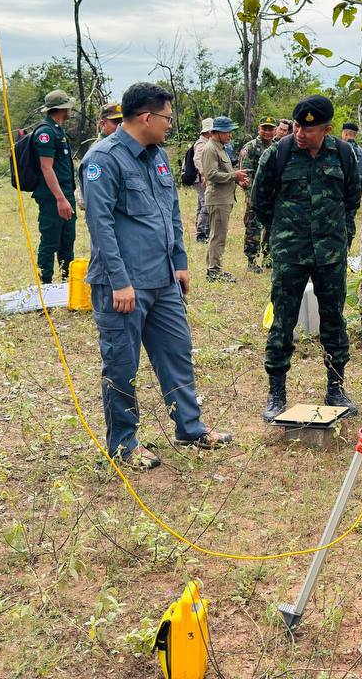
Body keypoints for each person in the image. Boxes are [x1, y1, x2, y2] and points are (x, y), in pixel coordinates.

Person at [82, 83, 231, 467]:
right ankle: (124, 444)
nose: (170, 124)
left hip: (163, 280)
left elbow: (171, 213)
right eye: (166, 117)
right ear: (146, 118)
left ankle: (190, 427)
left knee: (176, 354)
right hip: (124, 286)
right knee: (121, 366)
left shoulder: (158, 156)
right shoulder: (104, 159)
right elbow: (101, 227)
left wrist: (180, 262)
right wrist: (119, 282)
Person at [252, 95, 362, 422]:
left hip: (330, 254)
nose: (300, 133)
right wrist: (282, 233)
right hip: (290, 254)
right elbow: (260, 201)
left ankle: (336, 387)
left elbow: (351, 200)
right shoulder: (278, 154)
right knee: (283, 321)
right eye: (297, 125)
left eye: (308, 129)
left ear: (326, 129)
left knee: (333, 319)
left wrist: (342, 238)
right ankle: (276, 392)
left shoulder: (343, 154)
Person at [31, 90, 77, 284]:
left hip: (66, 194)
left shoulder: (58, 130)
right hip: (52, 198)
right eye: (69, 106)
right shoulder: (46, 133)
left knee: (67, 240)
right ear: (62, 108)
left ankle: (67, 284)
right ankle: (46, 286)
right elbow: (46, 167)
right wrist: (60, 199)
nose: (71, 109)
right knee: (50, 241)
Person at [198, 116, 249, 282]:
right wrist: (234, 175)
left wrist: (237, 179)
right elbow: (211, 174)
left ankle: (216, 269)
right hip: (218, 199)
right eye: (227, 132)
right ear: (216, 132)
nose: (230, 135)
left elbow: (224, 172)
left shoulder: (221, 148)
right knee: (217, 237)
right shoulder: (210, 149)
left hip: (224, 198)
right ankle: (214, 272)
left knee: (220, 236)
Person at [239, 116, 278, 272]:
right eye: (264, 128)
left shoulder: (277, 147)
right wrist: (251, 196)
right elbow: (245, 175)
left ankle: (269, 258)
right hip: (256, 195)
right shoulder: (249, 148)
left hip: (273, 195)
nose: (267, 132)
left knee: (272, 227)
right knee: (253, 228)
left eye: (270, 128)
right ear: (258, 129)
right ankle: (251, 260)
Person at [191, 118, 213, 242]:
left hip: (201, 178)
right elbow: (198, 160)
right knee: (206, 205)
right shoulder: (201, 144)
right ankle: (202, 234)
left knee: (201, 205)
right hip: (201, 179)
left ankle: (202, 231)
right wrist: (206, 175)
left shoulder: (206, 143)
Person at [340, 121, 362, 188]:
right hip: (358, 187)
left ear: (345, 134)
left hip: (344, 188)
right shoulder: (360, 150)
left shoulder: (342, 147)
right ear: (355, 135)